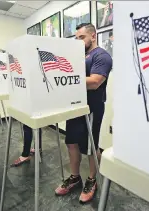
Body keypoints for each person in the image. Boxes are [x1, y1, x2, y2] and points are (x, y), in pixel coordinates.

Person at [54, 23, 113, 203]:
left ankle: (92, 180)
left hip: (92, 107)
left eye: (82, 38)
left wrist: (65, 77)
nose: (79, 41)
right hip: (75, 106)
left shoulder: (102, 56)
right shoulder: (78, 55)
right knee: (71, 142)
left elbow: (95, 82)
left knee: (90, 146)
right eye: (76, 38)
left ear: (93, 36)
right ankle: (75, 177)